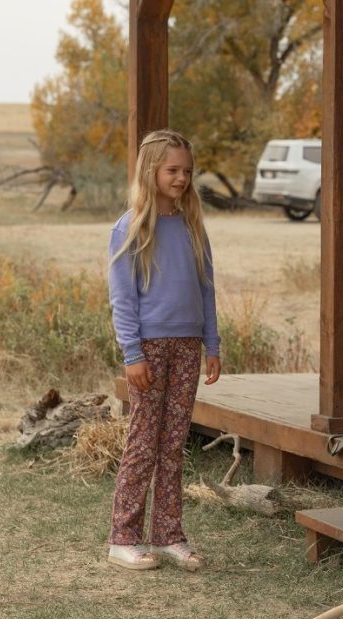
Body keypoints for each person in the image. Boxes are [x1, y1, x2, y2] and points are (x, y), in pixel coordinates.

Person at [106, 129, 221, 571]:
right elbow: (123, 297)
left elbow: (206, 289)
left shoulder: (193, 227)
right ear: (150, 170)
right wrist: (132, 354)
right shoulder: (130, 226)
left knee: (174, 444)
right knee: (143, 442)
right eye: (173, 170)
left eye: (187, 171)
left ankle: (169, 535)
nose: (182, 179)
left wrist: (212, 344)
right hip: (149, 348)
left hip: (189, 346)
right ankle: (123, 537)